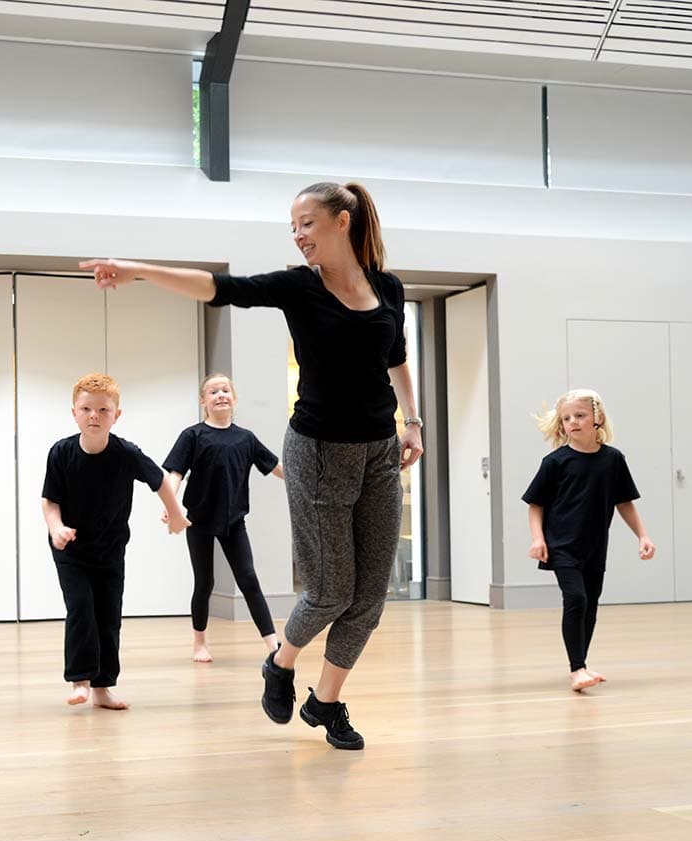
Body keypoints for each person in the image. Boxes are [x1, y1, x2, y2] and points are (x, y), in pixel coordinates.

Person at [81, 180, 423, 750]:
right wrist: (139, 269)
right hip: (317, 452)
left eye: (307, 223)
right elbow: (220, 288)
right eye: (293, 226)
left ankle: (327, 701)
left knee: (369, 597)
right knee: (330, 590)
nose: (298, 235)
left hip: (380, 452)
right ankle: (280, 663)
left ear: (343, 221)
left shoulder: (387, 286)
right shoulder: (298, 288)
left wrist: (413, 421)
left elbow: (396, 359)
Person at [42, 372, 189, 709]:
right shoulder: (61, 453)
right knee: (81, 608)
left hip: (110, 550)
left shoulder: (126, 453)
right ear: (74, 413)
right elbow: (50, 500)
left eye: (103, 410)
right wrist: (56, 528)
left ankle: (102, 687)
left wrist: (175, 512)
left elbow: (160, 481)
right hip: (71, 549)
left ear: (116, 415)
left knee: (108, 616)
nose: (94, 416)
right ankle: (79, 680)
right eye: (86, 409)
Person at [523, 389, 656, 691]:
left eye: (580, 415)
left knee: (591, 604)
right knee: (576, 598)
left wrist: (643, 536)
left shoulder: (613, 460)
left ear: (598, 418)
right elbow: (535, 504)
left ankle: (581, 662)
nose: (573, 421)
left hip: (595, 547)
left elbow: (625, 503)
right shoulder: (554, 462)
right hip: (561, 545)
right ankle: (577, 669)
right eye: (567, 418)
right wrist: (537, 539)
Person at [162, 373, 284, 662]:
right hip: (198, 521)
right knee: (204, 583)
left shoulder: (246, 439)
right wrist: (171, 504)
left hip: (234, 522)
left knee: (249, 580)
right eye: (213, 392)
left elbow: (276, 466)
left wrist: (301, 482)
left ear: (234, 399)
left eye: (225, 390)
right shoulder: (193, 435)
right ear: (204, 401)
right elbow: (176, 472)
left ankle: (273, 646)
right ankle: (200, 644)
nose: (220, 395)